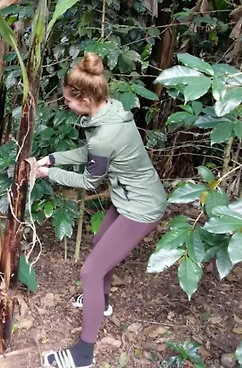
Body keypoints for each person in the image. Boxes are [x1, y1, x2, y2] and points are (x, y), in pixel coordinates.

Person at [37, 53, 167, 368]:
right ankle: (102, 300)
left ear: (85, 99)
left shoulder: (105, 136)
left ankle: (84, 354)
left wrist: (48, 174)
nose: (66, 104)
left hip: (141, 206)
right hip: (129, 197)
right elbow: (92, 151)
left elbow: (88, 180)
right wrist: (53, 158)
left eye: (69, 100)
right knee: (99, 244)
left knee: (90, 272)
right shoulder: (113, 112)